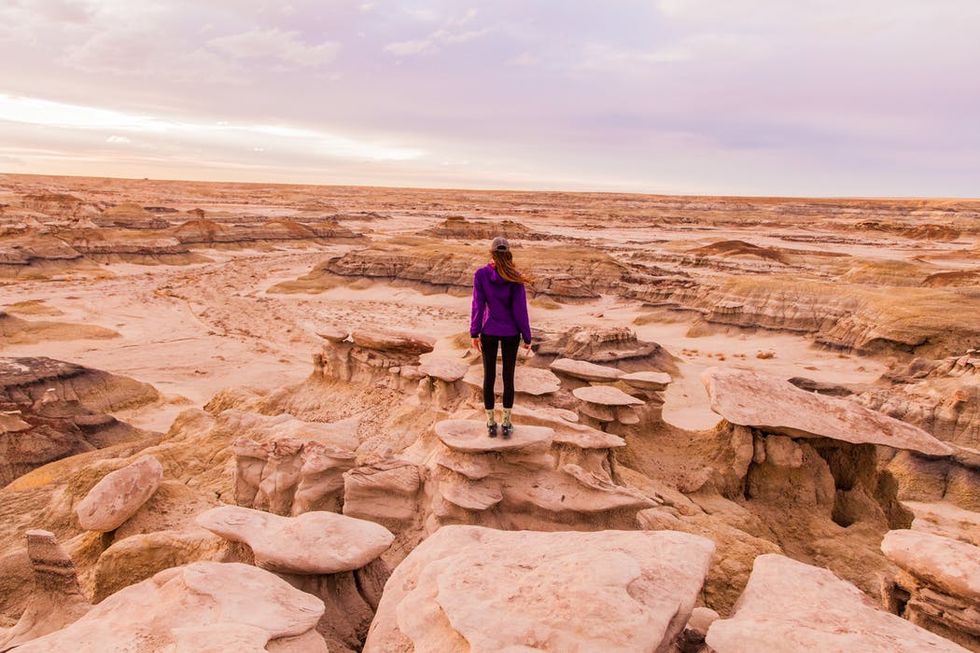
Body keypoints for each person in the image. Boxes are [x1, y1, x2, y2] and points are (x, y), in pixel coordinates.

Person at [470, 236, 533, 439]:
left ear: (492, 253)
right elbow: (520, 310)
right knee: (508, 377)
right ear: (508, 253)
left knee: (488, 377)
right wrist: (527, 335)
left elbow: (478, 306)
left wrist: (474, 332)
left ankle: (490, 423)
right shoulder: (514, 277)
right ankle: (506, 424)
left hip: (488, 331)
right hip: (511, 333)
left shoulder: (481, 274)